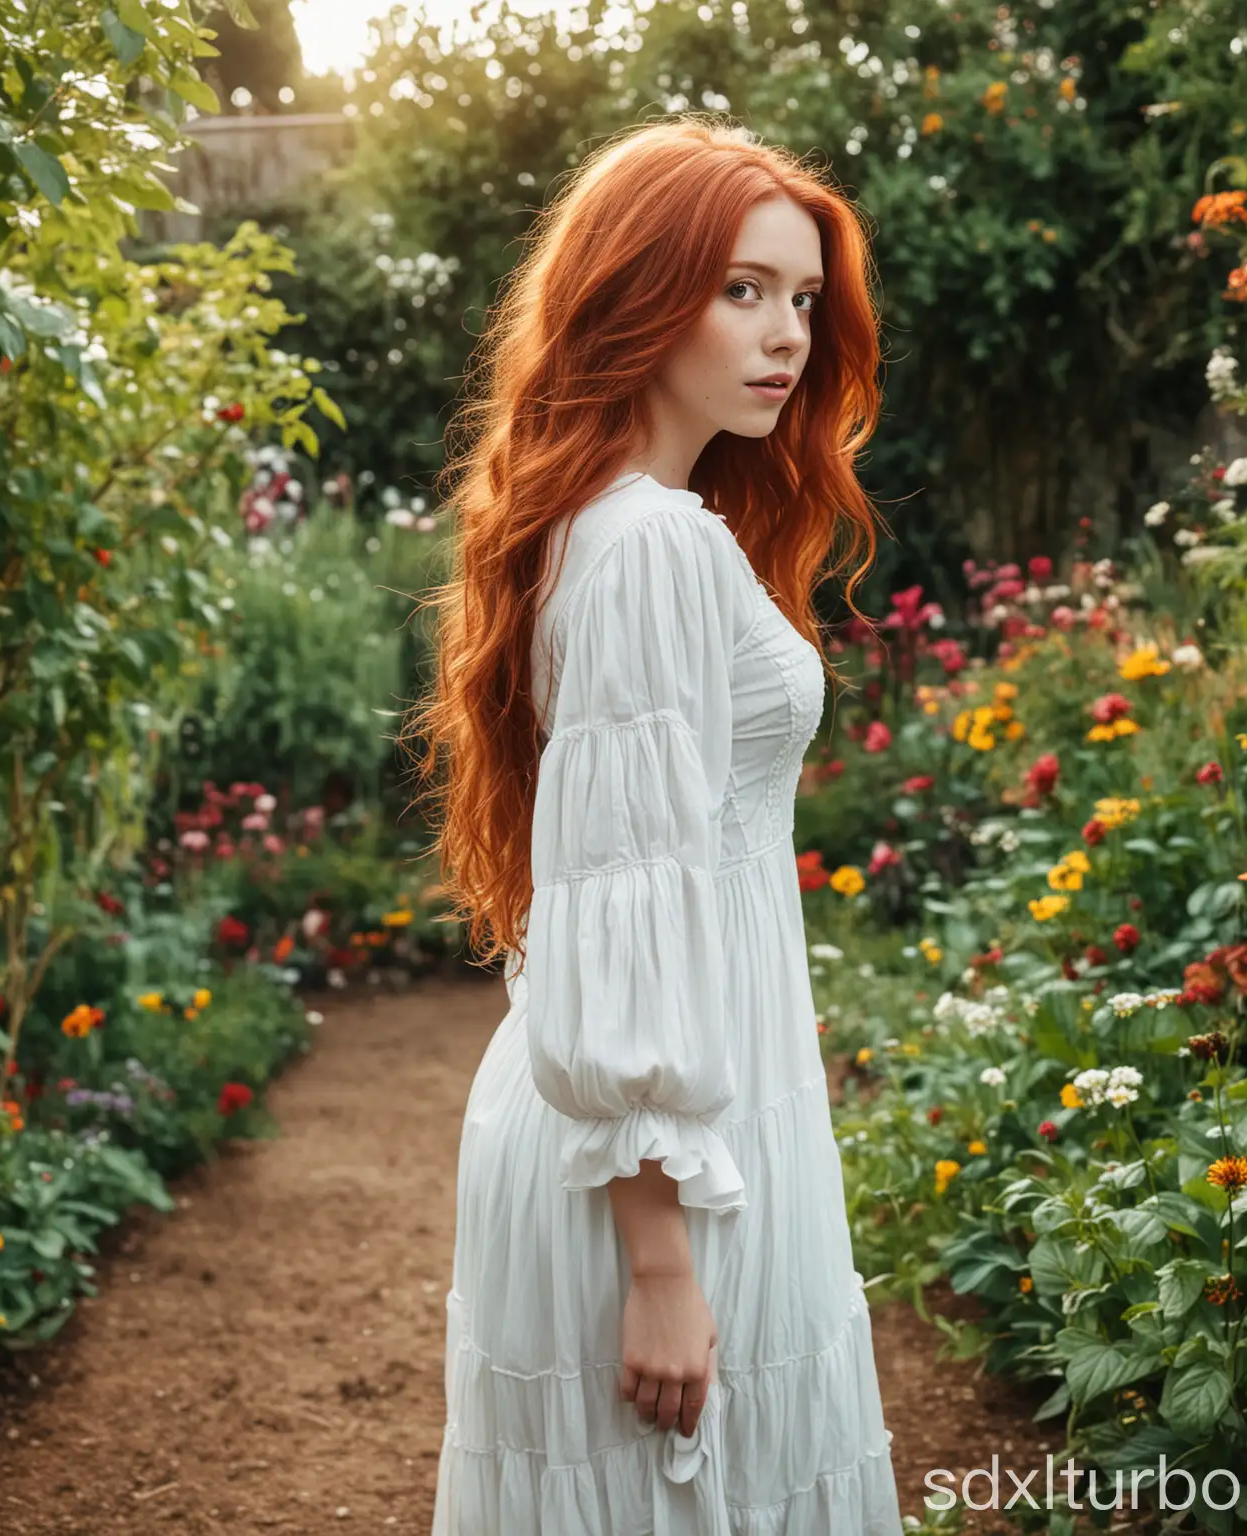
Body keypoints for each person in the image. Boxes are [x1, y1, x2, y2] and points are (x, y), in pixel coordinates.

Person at [405, 114, 905, 1536]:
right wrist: (661, 1262)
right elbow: (622, 893)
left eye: (802, 299)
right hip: (657, 1178)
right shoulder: (645, 543)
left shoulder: (641, 523)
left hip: (691, 1135)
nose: (788, 335)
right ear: (634, 291)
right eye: (741, 288)